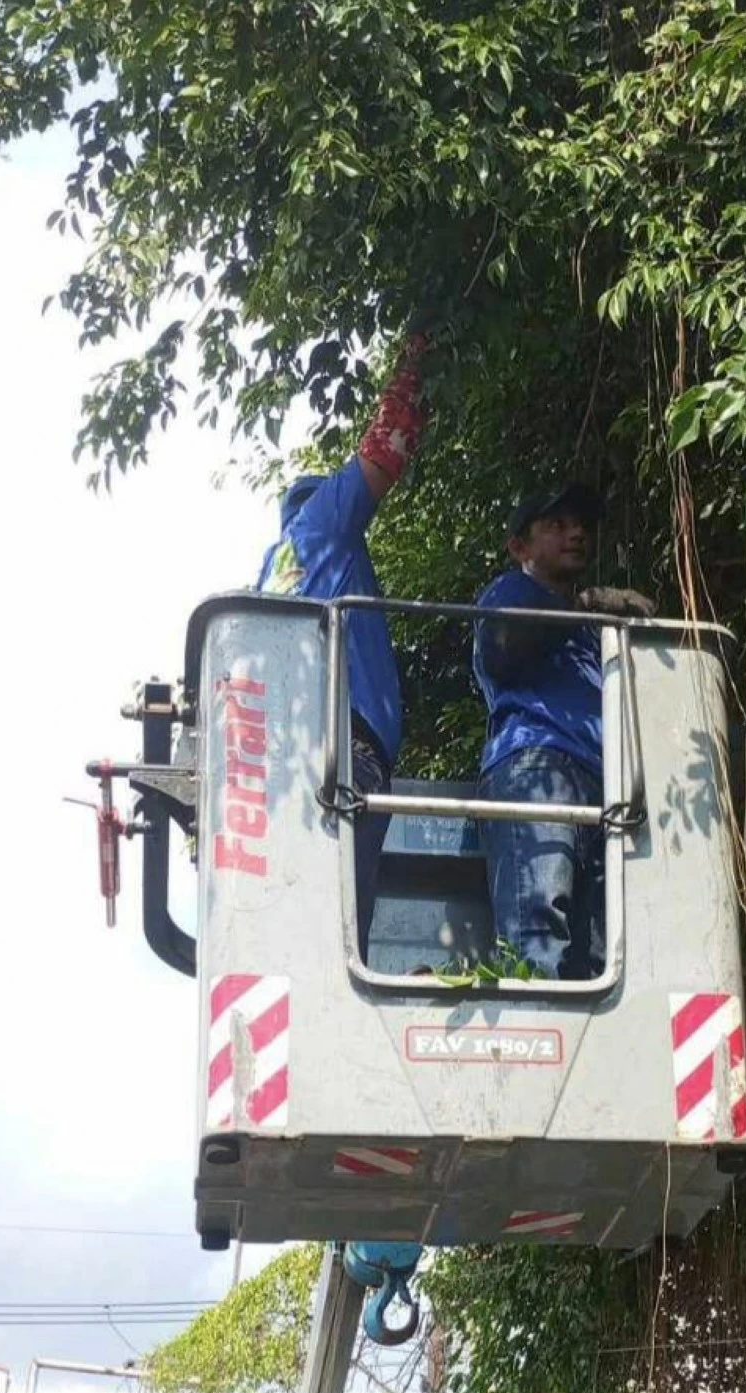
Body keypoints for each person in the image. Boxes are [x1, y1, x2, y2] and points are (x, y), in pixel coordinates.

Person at [257, 333, 428, 953]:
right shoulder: (324, 523)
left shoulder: (272, 574)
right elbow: (384, 453)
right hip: (345, 745)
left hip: (285, 754)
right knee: (343, 923)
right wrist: (417, 360)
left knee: (311, 920)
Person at [472, 485, 655, 980]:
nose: (576, 533)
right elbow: (504, 645)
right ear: (520, 548)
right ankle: (531, 1045)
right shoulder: (511, 592)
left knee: (599, 950)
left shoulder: (593, 633)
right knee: (537, 932)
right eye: (556, 525)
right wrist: (589, 605)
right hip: (537, 765)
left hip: (603, 782)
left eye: (580, 525)